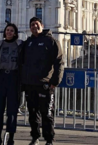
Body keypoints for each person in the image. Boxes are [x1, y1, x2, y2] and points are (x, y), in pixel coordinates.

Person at [21, 17, 64, 145]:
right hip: (30, 84)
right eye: (32, 25)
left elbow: (59, 62)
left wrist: (55, 81)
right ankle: (35, 137)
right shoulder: (28, 42)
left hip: (45, 84)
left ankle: (49, 139)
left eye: (36, 24)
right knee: (33, 113)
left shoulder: (51, 41)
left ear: (42, 25)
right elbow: (22, 62)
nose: (34, 27)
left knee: (47, 113)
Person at [0, 23, 22, 145]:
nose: (9, 32)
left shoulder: (19, 45)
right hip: (1, 78)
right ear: (4, 32)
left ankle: (11, 137)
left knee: (12, 111)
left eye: (11, 30)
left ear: (15, 33)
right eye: (7, 30)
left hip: (13, 78)